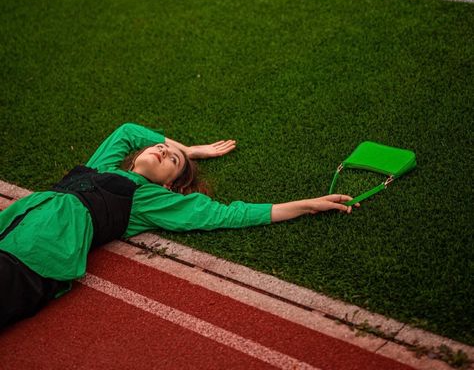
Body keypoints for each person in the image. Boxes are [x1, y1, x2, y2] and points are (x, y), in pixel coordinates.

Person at [0, 122, 360, 329]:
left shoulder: (149, 199)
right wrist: (189, 149)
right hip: (10, 228)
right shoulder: (105, 163)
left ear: (169, 184)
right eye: (161, 147)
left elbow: (227, 214)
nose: (160, 150)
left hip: (37, 258)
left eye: (171, 159)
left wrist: (301, 205)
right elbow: (127, 131)